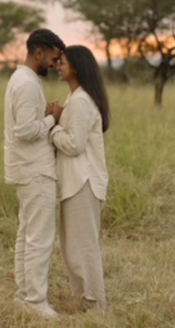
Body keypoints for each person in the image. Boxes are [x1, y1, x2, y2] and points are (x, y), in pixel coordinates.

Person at [3, 28, 66, 320]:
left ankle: (24, 297)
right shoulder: (27, 84)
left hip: (25, 168)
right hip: (34, 170)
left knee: (27, 234)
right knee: (39, 238)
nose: (54, 65)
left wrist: (47, 117)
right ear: (39, 53)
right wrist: (52, 119)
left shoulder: (22, 79)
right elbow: (25, 131)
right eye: (53, 59)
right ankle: (36, 302)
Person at [51, 45, 110, 311]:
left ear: (76, 66)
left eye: (62, 62)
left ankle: (96, 305)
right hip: (76, 182)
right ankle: (85, 299)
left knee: (83, 248)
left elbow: (74, 144)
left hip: (83, 183)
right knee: (72, 247)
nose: (57, 66)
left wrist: (52, 126)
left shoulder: (82, 100)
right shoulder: (76, 98)